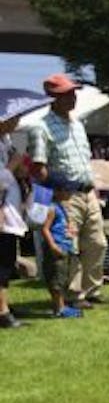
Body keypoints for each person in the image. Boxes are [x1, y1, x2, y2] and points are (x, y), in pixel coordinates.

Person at [29, 74, 109, 308]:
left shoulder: (77, 125)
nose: (73, 97)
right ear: (54, 98)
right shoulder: (41, 128)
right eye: (67, 94)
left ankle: (92, 289)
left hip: (87, 192)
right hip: (65, 195)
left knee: (98, 243)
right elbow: (38, 167)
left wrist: (94, 188)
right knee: (71, 245)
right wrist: (57, 191)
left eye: (73, 93)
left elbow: (84, 161)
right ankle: (74, 294)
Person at [41, 179, 83, 319]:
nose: (71, 193)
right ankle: (59, 308)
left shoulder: (61, 206)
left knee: (63, 278)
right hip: (56, 249)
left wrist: (70, 232)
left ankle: (61, 306)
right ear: (57, 191)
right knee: (56, 279)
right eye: (67, 190)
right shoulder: (51, 208)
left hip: (65, 247)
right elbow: (45, 229)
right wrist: (53, 246)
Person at [0, 116, 27, 328]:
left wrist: (19, 167)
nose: (17, 122)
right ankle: (3, 313)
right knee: (2, 263)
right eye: (13, 118)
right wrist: (12, 164)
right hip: (2, 212)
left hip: (10, 211)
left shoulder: (6, 140)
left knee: (7, 261)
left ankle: (4, 305)